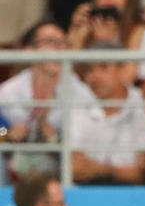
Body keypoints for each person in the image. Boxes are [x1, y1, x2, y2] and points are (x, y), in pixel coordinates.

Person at [0, 21, 95, 180]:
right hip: (14, 173)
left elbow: (88, 144)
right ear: (29, 51)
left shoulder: (81, 94)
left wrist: (54, 138)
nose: (59, 48)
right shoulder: (8, 91)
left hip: (61, 171)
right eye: (50, 42)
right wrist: (8, 135)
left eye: (63, 43)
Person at [69, 43, 145, 185]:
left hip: (134, 192)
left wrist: (102, 170)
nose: (95, 76)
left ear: (123, 70)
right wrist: (121, 172)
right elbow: (77, 168)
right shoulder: (78, 106)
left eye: (103, 67)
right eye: (90, 70)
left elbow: (144, 174)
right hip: (87, 190)